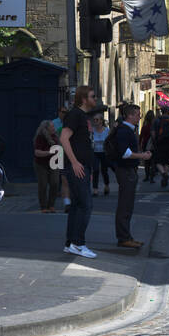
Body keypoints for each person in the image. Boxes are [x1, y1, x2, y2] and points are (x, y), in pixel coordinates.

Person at [58, 84, 97, 258]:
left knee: (76, 206)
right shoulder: (75, 115)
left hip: (83, 166)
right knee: (85, 205)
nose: (95, 99)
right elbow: (64, 138)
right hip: (77, 167)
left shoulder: (83, 116)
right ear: (83, 99)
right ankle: (78, 243)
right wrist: (74, 162)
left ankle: (70, 243)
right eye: (92, 96)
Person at [110, 103, 152, 248]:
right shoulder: (124, 131)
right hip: (125, 171)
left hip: (129, 171)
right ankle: (123, 238)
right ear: (130, 115)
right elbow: (125, 153)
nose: (140, 116)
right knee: (125, 205)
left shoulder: (128, 130)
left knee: (128, 205)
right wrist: (142, 156)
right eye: (138, 113)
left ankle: (127, 236)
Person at [33, 117, 61, 212]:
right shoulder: (40, 137)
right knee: (43, 185)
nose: (54, 128)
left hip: (55, 162)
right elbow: (37, 152)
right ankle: (44, 206)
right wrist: (49, 152)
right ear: (46, 128)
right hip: (42, 164)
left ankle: (51, 205)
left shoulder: (56, 136)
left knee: (55, 183)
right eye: (52, 127)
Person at [151, 105, 169, 187]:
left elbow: (153, 133)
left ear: (161, 111)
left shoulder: (156, 120)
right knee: (167, 162)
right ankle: (165, 174)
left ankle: (163, 174)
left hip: (159, 143)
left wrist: (155, 141)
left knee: (158, 161)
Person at [90, 113, 113, 196]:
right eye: (94, 120)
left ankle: (106, 185)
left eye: (97, 120)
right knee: (95, 170)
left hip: (104, 152)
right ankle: (95, 189)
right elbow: (89, 141)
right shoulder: (92, 130)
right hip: (95, 152)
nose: (95, 121)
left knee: (104, 170)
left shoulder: (107, 130)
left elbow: (110, 141)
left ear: (101, 121)